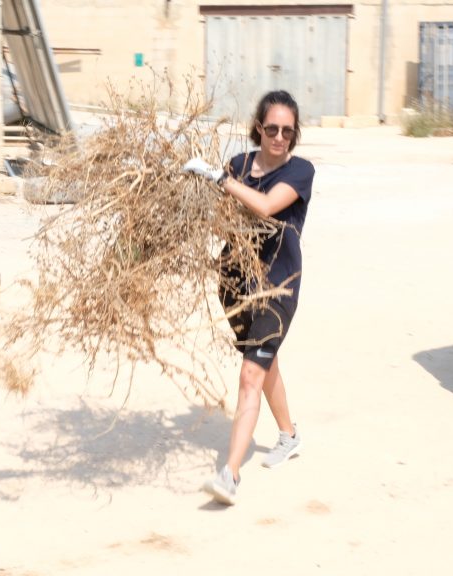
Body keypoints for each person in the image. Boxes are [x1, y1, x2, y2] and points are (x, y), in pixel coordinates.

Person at [183, 90, 315, 505]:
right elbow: (226, 223)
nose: (279, 137)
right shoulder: (240, 164)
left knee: (249, 376)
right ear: (259, 126)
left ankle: (230, 474)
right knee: (263, 360)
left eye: (287, 131)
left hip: (277, 287)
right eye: (271, 128)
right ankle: (289, 435)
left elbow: (264, 206)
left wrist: (220, 180)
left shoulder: (301, 172)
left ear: (295, 135)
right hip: (235, 284)